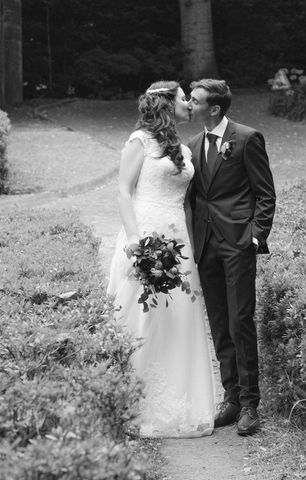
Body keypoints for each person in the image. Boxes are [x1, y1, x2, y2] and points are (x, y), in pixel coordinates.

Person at [107, 80, 216, 438]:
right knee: (146, 316)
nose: (189, 103)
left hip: (178, 241)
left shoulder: (183, 149)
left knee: (179, 316)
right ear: (167, 105)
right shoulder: (138, 142)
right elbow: (124, 192)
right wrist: (134, 239)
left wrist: (196, 247)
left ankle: (181, 403)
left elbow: (186, 202)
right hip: (146, 235)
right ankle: (137, 405)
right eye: (184, 98)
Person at [187, 79, 276, 436]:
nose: (189, 106)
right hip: (206, 244)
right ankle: (232, 397)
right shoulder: (193, 146)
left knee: (241, 321)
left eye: (194, 101)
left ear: (215, 109)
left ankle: (251, 404)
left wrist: (254, 238)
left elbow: (265, 194)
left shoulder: (247, 138)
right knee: (220, 324)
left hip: (238, 244)